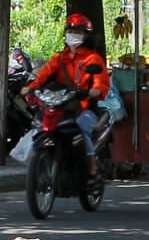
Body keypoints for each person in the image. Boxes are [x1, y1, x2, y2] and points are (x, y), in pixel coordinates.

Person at [23, 12, 112, 172]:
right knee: (39, 123)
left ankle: (91, 164)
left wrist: (94, 91)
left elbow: (101, 82)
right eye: (70, 32)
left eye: (77, 32)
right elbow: (43, 74)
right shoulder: (59, 58)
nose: (73, 36)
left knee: (83, 126)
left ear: (86, 36)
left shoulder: (93, 59)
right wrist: (30, 87)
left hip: (83, 107)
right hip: (62, 106)